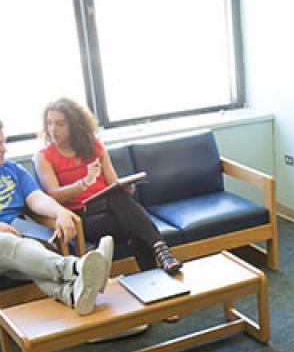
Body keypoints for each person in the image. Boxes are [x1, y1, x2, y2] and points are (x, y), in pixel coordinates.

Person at [0, 114, 112, 317]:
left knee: (32, 252)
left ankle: (72, 295)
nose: (4, 149)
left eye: (3, 142)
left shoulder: (12, 170)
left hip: (14, 241)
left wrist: (60, 212)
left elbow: (36, 198)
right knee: (7, 243)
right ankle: (77, 267)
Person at [34, 97, 183, 276]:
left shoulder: (95, 147)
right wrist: (84, 183)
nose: (53, 129)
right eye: (49, 123)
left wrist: (127, 188)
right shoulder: (44, 157)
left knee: (120, 198)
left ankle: (155, 272)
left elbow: (113, 183)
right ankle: (161, 256)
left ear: (74, 125)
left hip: (111, 207)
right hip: (83, 216)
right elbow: (54, 195)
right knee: (136, 224)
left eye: (60, 124)